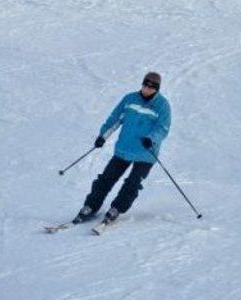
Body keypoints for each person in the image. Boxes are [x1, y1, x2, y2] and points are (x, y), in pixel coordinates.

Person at [72, 72, 171, 226]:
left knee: (132, 183)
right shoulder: (130, 99)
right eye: (145, 85)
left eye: (151, 88)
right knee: (106, 179)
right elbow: (115, 118)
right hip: (125, 148)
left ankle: (116, 208)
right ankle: (90, 206)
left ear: (157, 89)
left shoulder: (163, 106)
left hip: (146, 152)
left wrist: (151, 138)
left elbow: (163, 128)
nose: (147, 89)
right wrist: (103, 136)